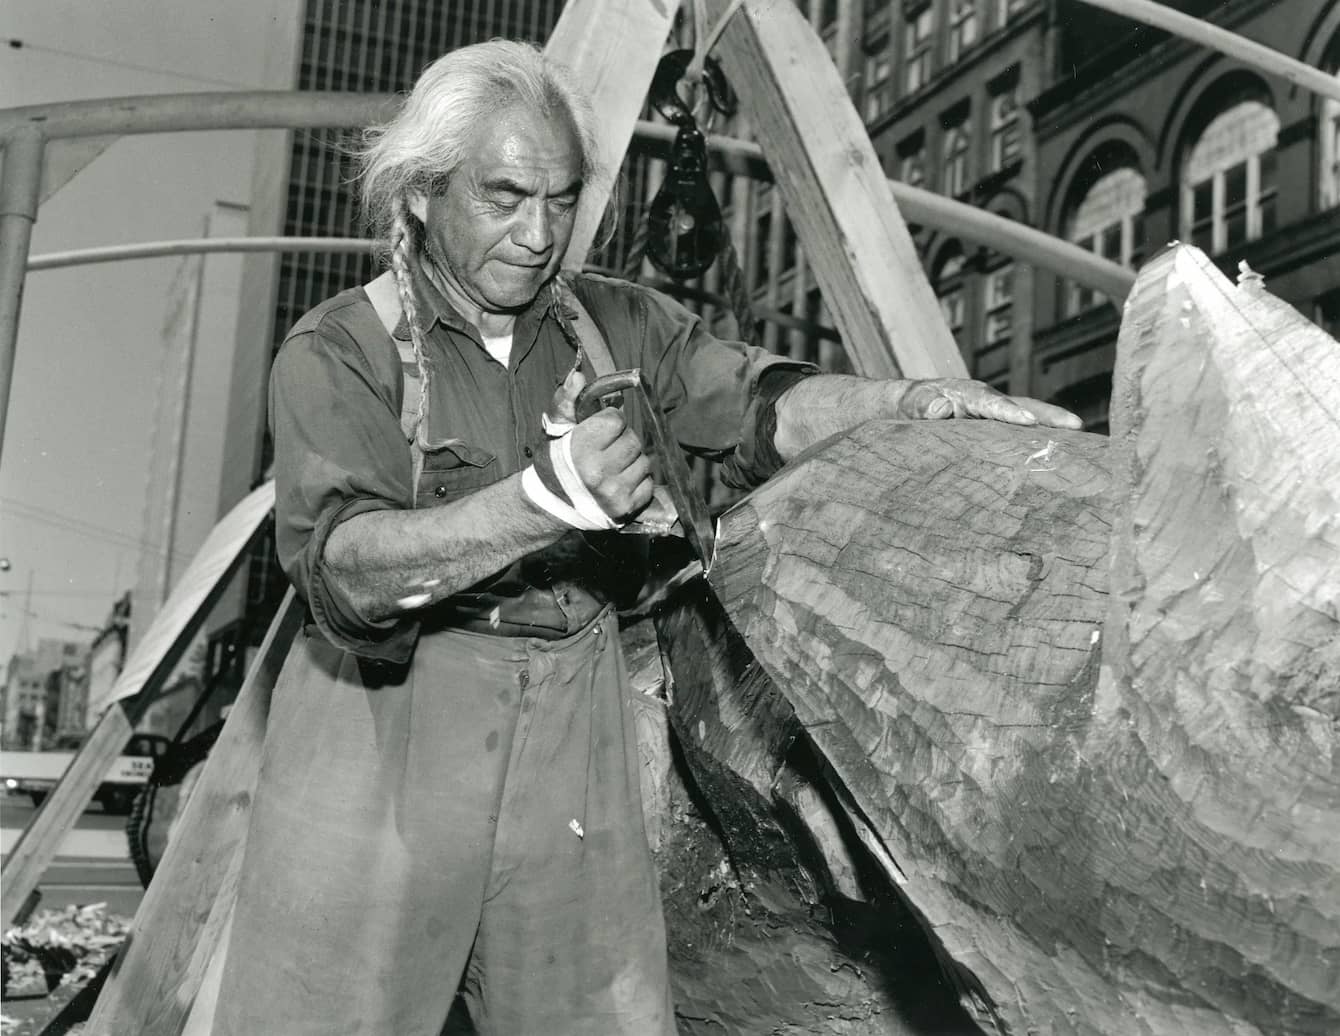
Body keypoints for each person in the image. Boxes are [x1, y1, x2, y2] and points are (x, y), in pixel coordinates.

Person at [213, 39, 1079, 1036]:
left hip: (570, 731)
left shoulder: (614, 322)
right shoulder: (339, 351)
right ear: (419, 192)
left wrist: (907, 402)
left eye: (560, 199)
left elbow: (758, 402)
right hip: (387, 728)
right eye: (504, 198)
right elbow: (343, 572)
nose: (539, 235)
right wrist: (543, 498)